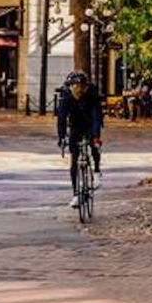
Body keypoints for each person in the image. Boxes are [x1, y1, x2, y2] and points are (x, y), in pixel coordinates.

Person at [57, 71, 105, 208]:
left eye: (81, 86)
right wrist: (61, 137)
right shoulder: (66, 99)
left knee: (94, 144)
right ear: (70, 87)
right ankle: (76, 194)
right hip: (75, 127)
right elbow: (61, 119)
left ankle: (96, 170)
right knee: (74, 160)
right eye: (75, 86)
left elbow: (97, 118)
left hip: (90, 124)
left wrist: (96, 137)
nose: (78, 89)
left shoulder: (92, 97)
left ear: (85, 87)